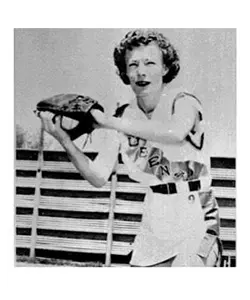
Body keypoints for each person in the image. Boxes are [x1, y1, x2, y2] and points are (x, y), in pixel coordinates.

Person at [38, 29, 222, 267]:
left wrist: (106, 121)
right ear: (124, 72)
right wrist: (64, 140)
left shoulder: (183, 101)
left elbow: (174, 133)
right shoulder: (123, 115)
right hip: (155, 217)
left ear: (165, 68)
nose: (141, 71)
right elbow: (97, 177)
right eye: (133, 64)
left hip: (196, 211)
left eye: (150, 62)